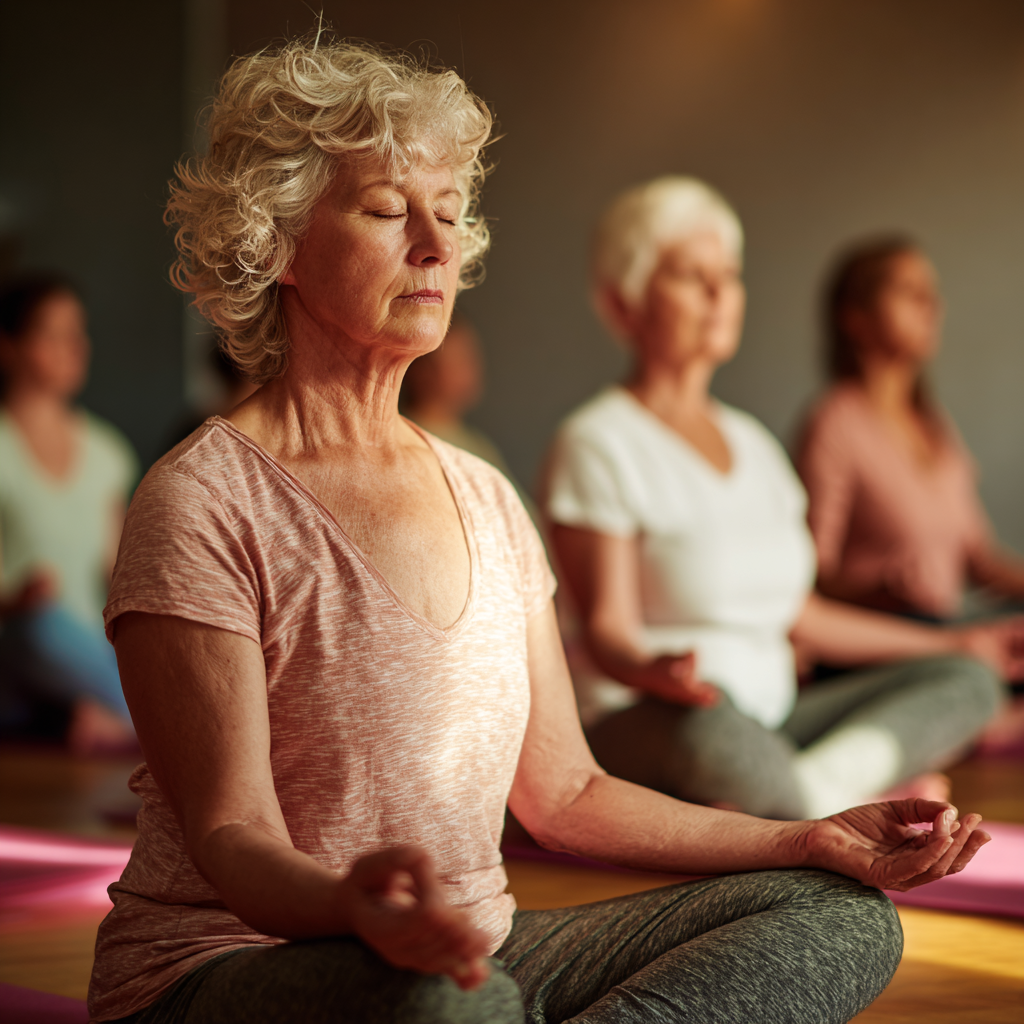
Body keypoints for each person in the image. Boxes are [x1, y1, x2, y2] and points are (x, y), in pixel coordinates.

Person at [90, 42, 989, 1024]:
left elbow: (565, 792)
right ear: (278, 244)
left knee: (839, 915)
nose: (435, 244)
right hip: (230, 967)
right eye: (389, 211)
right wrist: (354, 905)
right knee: (443, 1003)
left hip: (473, 953)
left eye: (449, 211)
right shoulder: (203, 499)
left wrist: (806, 837)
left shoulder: (483, 494)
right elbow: (231, 834)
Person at [544, 176, 1020, 823]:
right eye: (691, 275)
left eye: (730, 275)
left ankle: (802, 801)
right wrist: (653, 670)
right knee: (712, 737)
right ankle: (833, 798)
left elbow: (803, 616)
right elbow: (607, 633)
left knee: (967, 683)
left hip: (778, 723)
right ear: (623, 303)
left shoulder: (755, 445)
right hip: (659, 719)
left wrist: (951, 647)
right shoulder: (598, 440)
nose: (719, 294)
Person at [797, 236, 1024, 621]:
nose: (931, 305)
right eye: (908, 292)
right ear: (855, 318)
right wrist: (881, 593)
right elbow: (810, 574)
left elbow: (978, 560)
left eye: (931, 293)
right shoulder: (834, 423)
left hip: (944, 625)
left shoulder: (933, 424)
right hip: (888, 637)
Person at [0, 274, 137, 753]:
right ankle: (150, 725)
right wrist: (13, 600)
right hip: (19, 641)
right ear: (9, 346)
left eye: (77, 334)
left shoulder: (106, 453)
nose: (72, 348)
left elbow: (116, 575)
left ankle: (113, 717)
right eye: (52, 335)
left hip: (87, 656)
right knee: (41, 628)